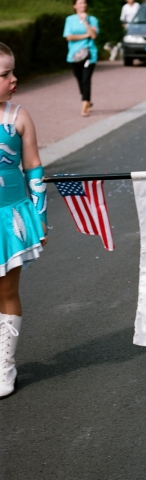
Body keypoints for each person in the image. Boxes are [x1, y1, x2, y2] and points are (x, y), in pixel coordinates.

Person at [0, 42, 48, 399]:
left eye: (12, 72)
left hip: (9, 217)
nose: (13, 79)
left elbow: (33, 167)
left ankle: (5, 366)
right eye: (5, 75)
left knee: (7, 291)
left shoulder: (18, 117)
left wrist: (40, 217)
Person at [63, 0, 99, 117]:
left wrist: (85, 21)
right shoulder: (69, 19)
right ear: (75, 6)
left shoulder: (92, 19)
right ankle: (87, 100)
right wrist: (85, 36)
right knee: (79, 80)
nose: (83, 5)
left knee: (86, 79)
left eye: (84, 3)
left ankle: (84, 105)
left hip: (90, 54)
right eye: (80, 3)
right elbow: (69, 37)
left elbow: (93, 35)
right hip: (73, 55)